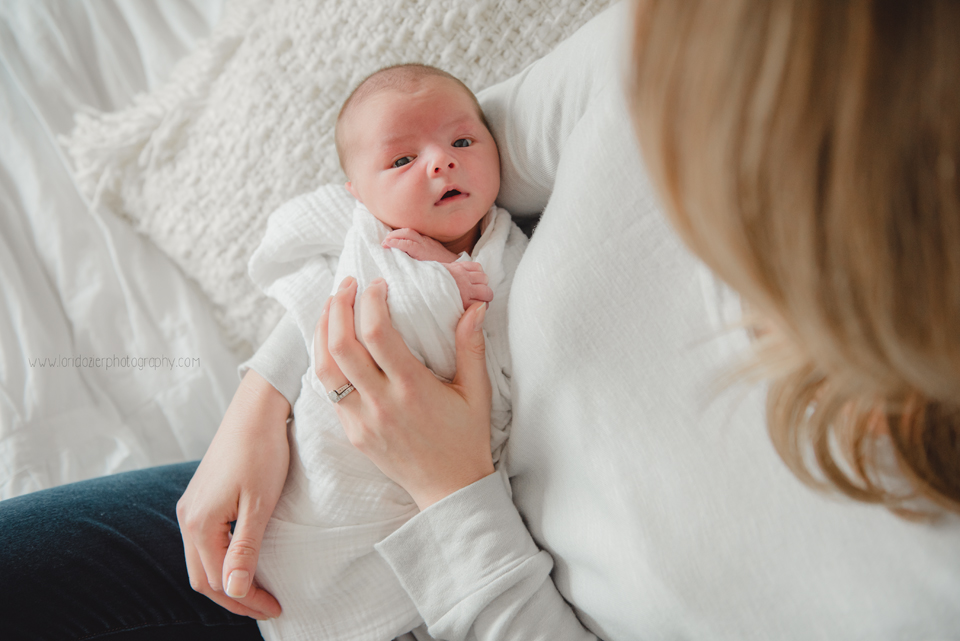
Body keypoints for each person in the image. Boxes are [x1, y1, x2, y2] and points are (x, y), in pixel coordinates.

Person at [2, 1, 959, 639]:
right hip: (322, 478)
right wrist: (263, 395)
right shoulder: (702, 32)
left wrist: (449, 487)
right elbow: (392, 189)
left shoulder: (920, 569)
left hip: (465, 595)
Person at [247, 63, 527, 641]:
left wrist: (452, 275)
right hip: (324, 456)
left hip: (442, 477)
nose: (440, 161)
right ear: (358, 194)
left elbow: (502, 345)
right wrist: (442, 282)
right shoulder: (370, 240)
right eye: (402, 160)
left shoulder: (507, 242)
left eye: (462, 141)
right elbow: (332, 281)